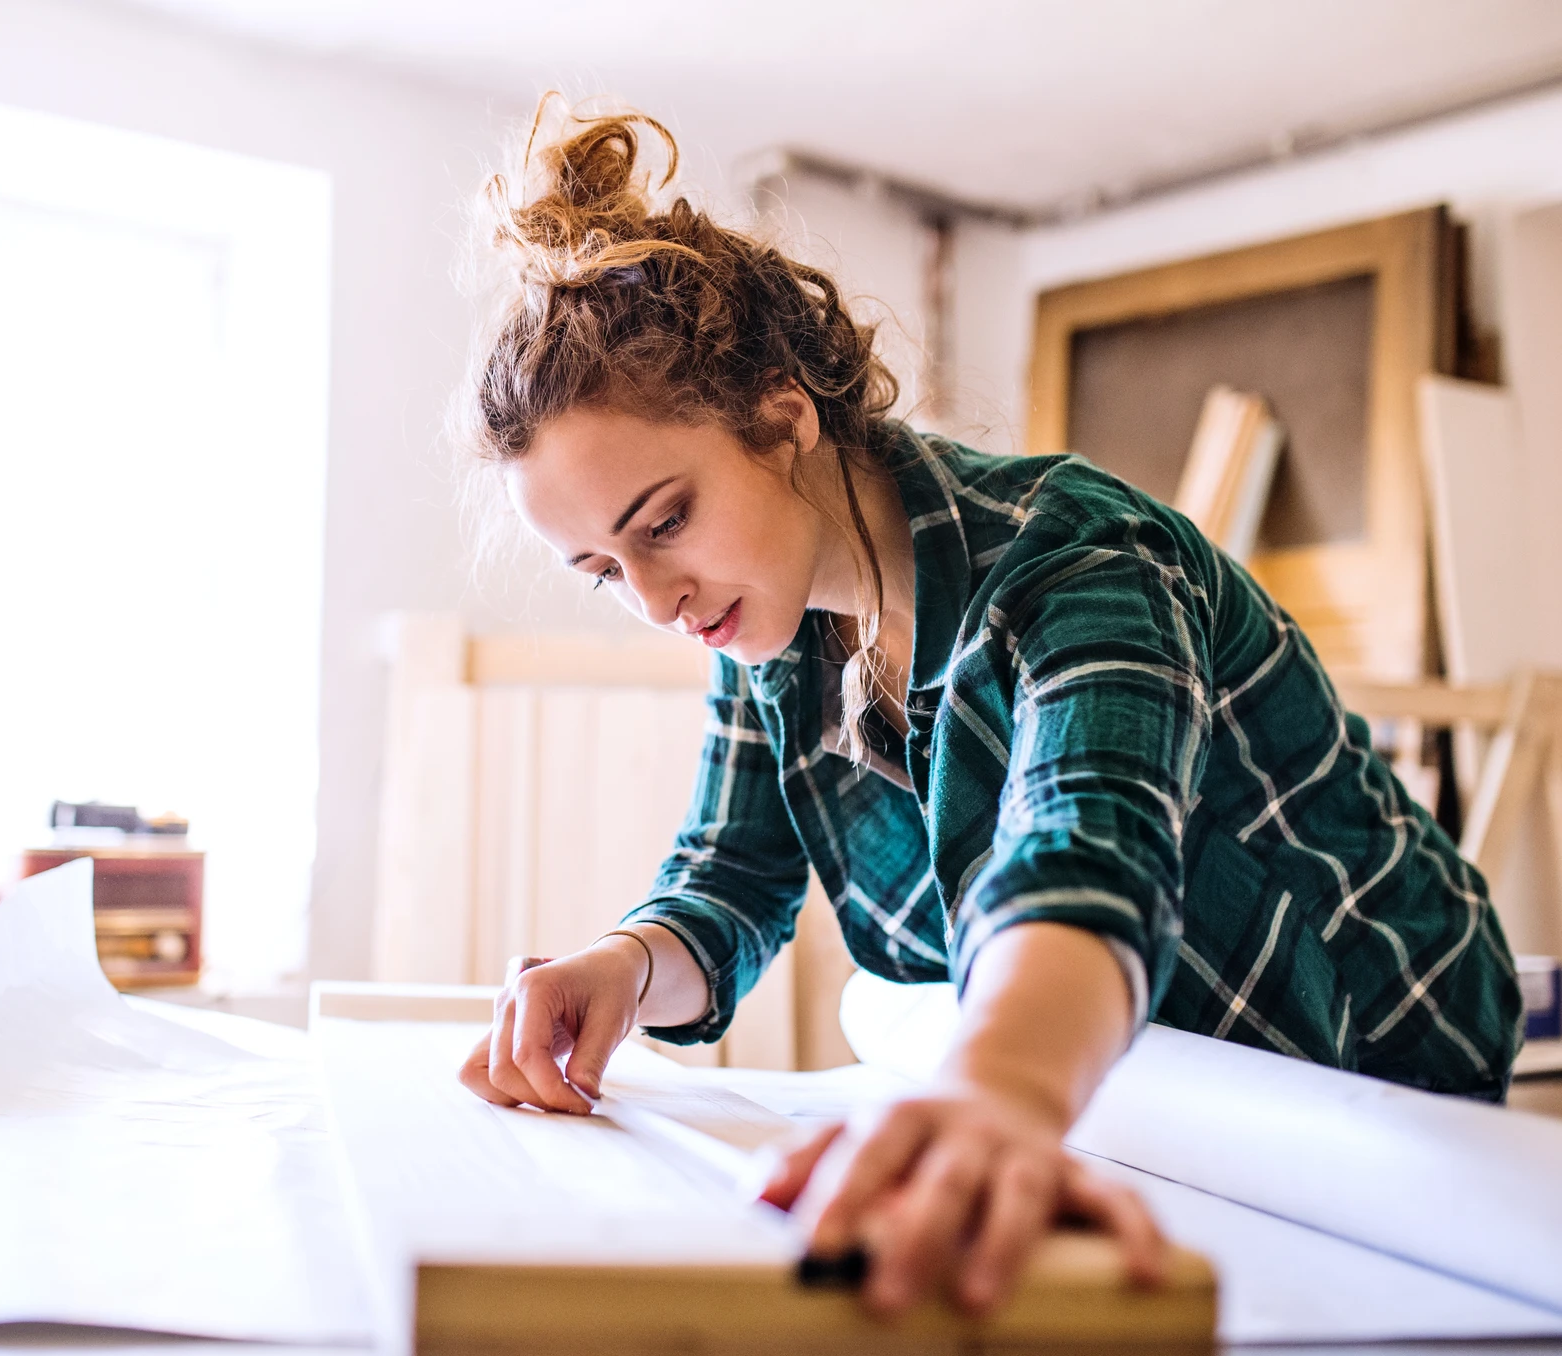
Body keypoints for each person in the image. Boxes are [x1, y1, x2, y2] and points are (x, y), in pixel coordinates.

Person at [453, 102, 1523, 1317]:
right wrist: (626, 967)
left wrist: (996, 1095)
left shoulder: (1082, 558)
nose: (652, 597)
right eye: (604, 570)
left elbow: (1089, 847)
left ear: (784, 421)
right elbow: (729, 878)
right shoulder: (762, 619)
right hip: (1129, 1090)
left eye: (663, 523)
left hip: (1376, 1066)